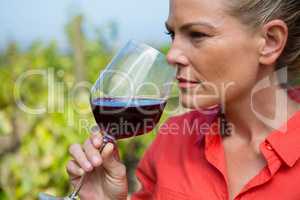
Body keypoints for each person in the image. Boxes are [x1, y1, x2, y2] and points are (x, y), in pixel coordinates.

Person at [66, 0, 300, 199]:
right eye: (172, 34)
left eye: (197, 35)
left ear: (270, 41)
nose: (172, 55)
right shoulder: (173, 141)